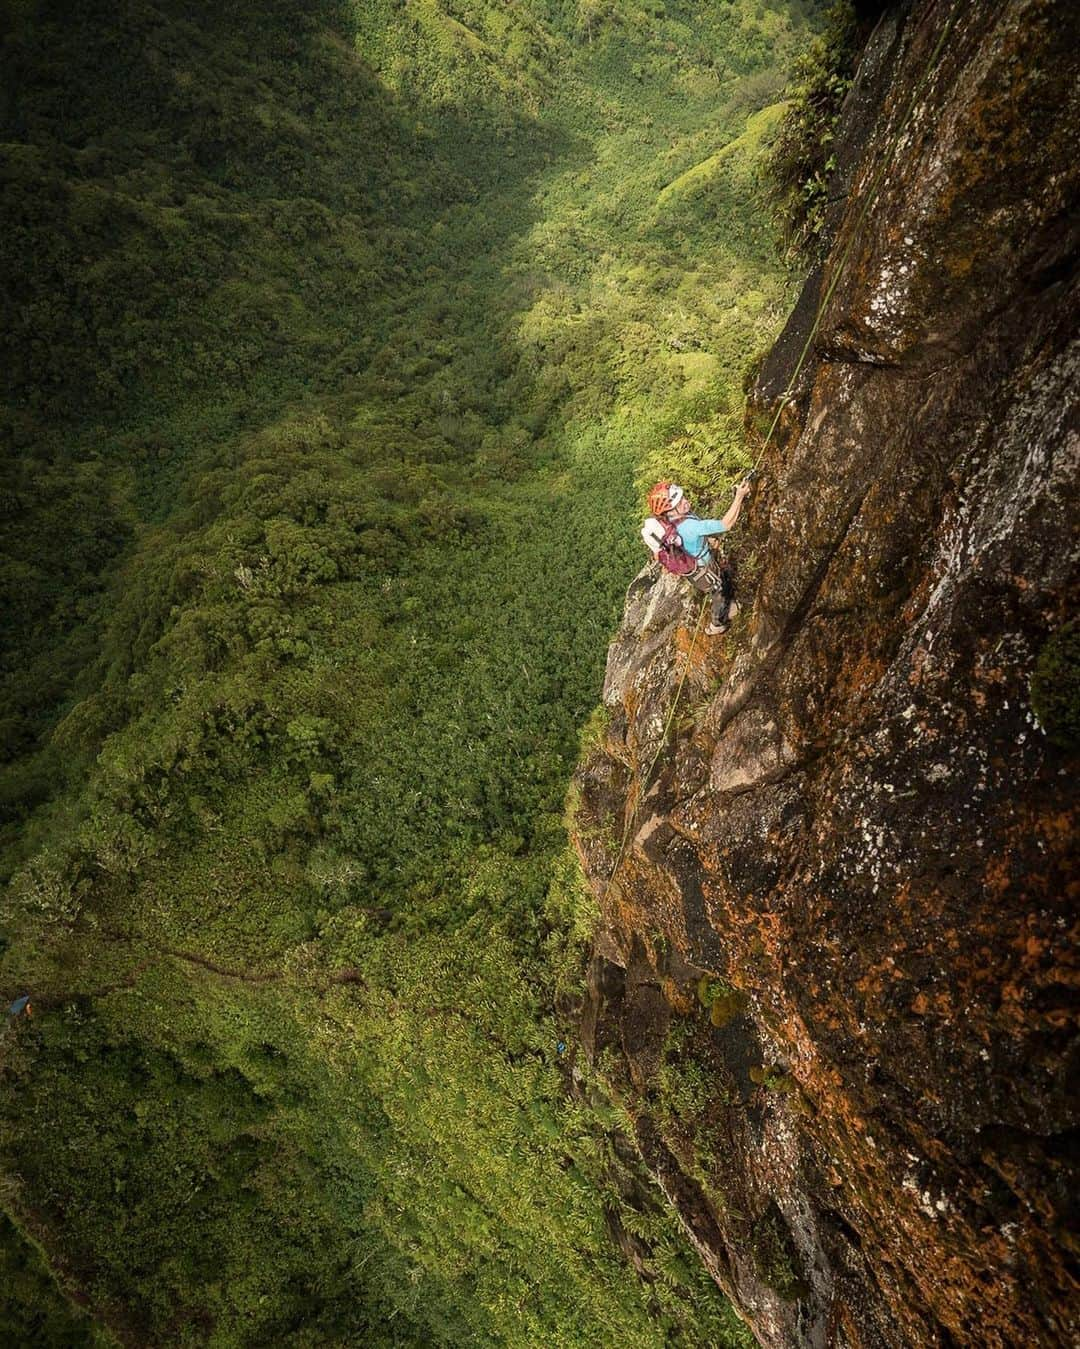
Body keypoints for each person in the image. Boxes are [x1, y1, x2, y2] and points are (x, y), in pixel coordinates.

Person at [642, 479, 752, 634]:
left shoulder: (670, 522)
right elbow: (726, 524)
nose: (686, 502)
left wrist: (706, 540)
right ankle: (717, 625)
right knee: (718, 590)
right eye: (680, 502)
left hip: (695, 567)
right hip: (702, 569)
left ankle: (730, 607)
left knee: (719, 585)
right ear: (671, 510)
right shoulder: (689, 525)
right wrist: (739, 497)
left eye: (683, 498)